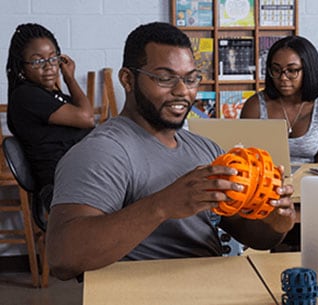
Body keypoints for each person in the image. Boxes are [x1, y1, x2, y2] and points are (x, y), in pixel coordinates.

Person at [45, 22, 296, 280]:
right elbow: (62, 257)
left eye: (190, 79)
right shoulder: (102, 152)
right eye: (165, 78)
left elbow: (246, 231)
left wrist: (275, 222)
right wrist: (162, 206)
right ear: (127, 80)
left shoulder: (205, 148)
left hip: (210, 285)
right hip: (149, 292)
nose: (182, 91)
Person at [6, 23, 95, 196]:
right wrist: (70, 78)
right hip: (64, 183)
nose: (49, 67)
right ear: (22, 67)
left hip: (81, 173)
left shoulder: (50, 95)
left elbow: (85, 117)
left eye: (53, 58)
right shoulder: (26, 95)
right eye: (38, 61)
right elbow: (86, 118)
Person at [240, 35, 318, 164]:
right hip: (266, 181)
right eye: (276, 70)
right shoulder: (255, 105)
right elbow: (246, 159)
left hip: (310, 181)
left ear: (309, 70)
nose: (283, 77)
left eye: (292, 70)